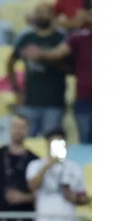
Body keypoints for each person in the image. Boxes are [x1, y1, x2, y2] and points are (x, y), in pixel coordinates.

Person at [22, 2, 91, 143]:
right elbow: (57, 54)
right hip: (85, 98)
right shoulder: (77, 37)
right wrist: (41, 54)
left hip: (70, 99)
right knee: (86, 144)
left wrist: (40, 54)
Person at [9, 3, 67, 137]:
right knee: (28, 141)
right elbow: (10, 62)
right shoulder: (27, 38)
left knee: (51, 140)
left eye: (45, 12)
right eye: (38, 12)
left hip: (54, 102)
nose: (41, 15)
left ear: (53, 15)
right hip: (30, 101)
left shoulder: (61, 39)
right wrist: (17, 89)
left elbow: (71, 67)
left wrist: (47, 58)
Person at [26, 129, 89, 221]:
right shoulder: (36, 165)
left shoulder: (74, 167)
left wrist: (75, 198)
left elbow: (83, 196)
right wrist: (47, 166)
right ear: (47, 144)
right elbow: (32, 186)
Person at [0, 114, 38, 221]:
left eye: (22, 127)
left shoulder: (35, 160)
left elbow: (40, 194)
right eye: (15, 127)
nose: (18, 131)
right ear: (10, 129)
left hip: (26, 219)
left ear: (28, 130)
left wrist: (24, 198)